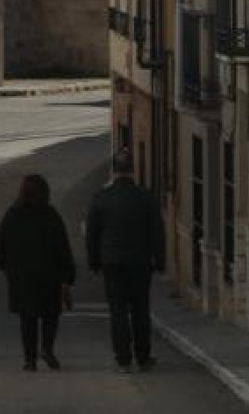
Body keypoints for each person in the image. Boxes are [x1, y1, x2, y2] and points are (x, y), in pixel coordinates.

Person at [84, 149, 166, 373]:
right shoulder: (146, 197)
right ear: (132, 171)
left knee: (117, 311)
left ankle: (123, 360)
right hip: (139, 262)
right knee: (140, 309)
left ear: (113, 171)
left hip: (111, 262)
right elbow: (157, 232)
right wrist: (160, 260)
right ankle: (143, 357)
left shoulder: (101, 198)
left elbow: (92, 234)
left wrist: (93, 261)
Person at [0, 175, 76, 372]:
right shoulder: (51, 216)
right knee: (51, 315)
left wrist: (10, 269)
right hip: (49, 276)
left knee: (27, 318)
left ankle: (29, 359)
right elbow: (63, 248)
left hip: (22, 278)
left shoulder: (12, 215)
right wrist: (67, 276)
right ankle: (47, 348)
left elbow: (1, 250)